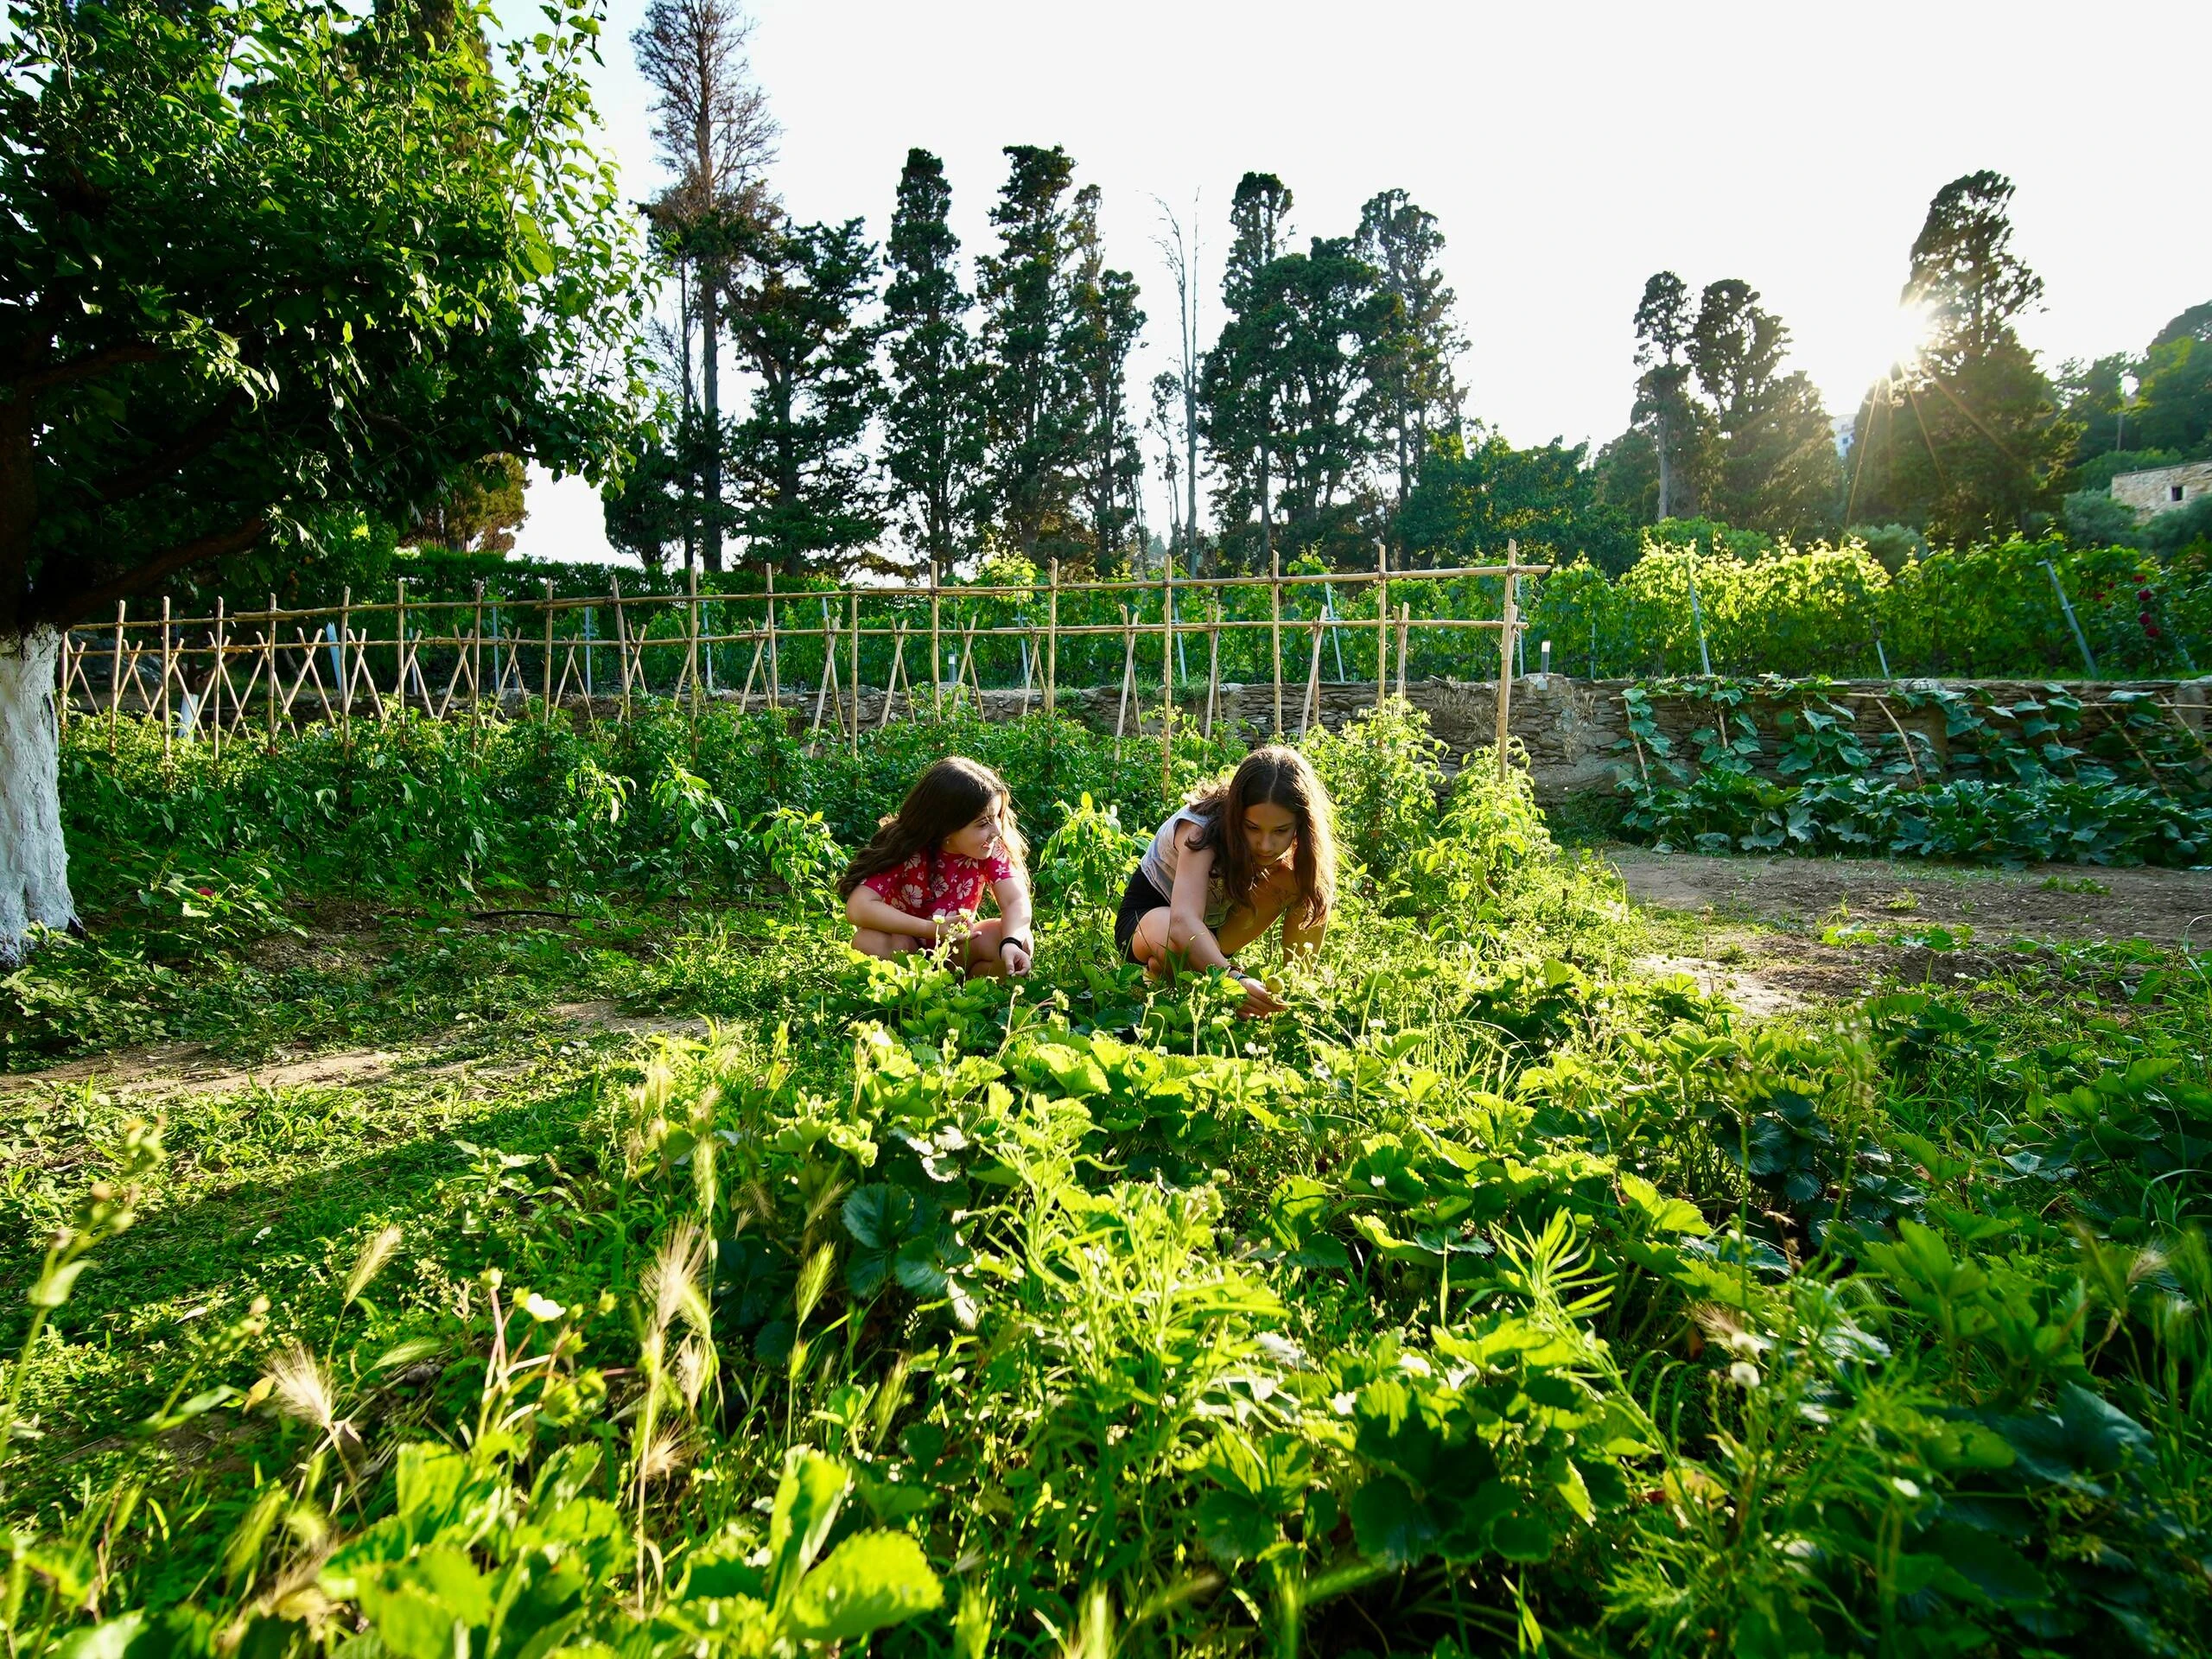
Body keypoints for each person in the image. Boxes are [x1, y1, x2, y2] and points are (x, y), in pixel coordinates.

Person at [1115, 746, 1337, 1016]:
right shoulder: (1201, 828)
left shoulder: (1293, 841)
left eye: (1280, 831)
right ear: (1235, 813)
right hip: (1152, 922)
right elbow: (1183, 922)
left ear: (1300, 824)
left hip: (1212, 933)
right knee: (1174, 942)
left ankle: (1292, 997)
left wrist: (1292, 993)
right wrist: (1233, 980)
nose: (1265, 845)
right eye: (1252, 828)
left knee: (1306, 880)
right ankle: (1187, 977)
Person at [840, 757, 1034, 976]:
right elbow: (858, 907)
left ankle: (970, 991)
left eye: (997, 817)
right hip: (907, 948)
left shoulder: (988, 849)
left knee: (1021, 941)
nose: (997, 830)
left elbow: (1014, 900)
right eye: (982, 823)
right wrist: (930, 929)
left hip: (957, 947)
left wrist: (1010, 942)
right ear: (946, 827)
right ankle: (917, 988)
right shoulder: (908, 848)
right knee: (867, 941)